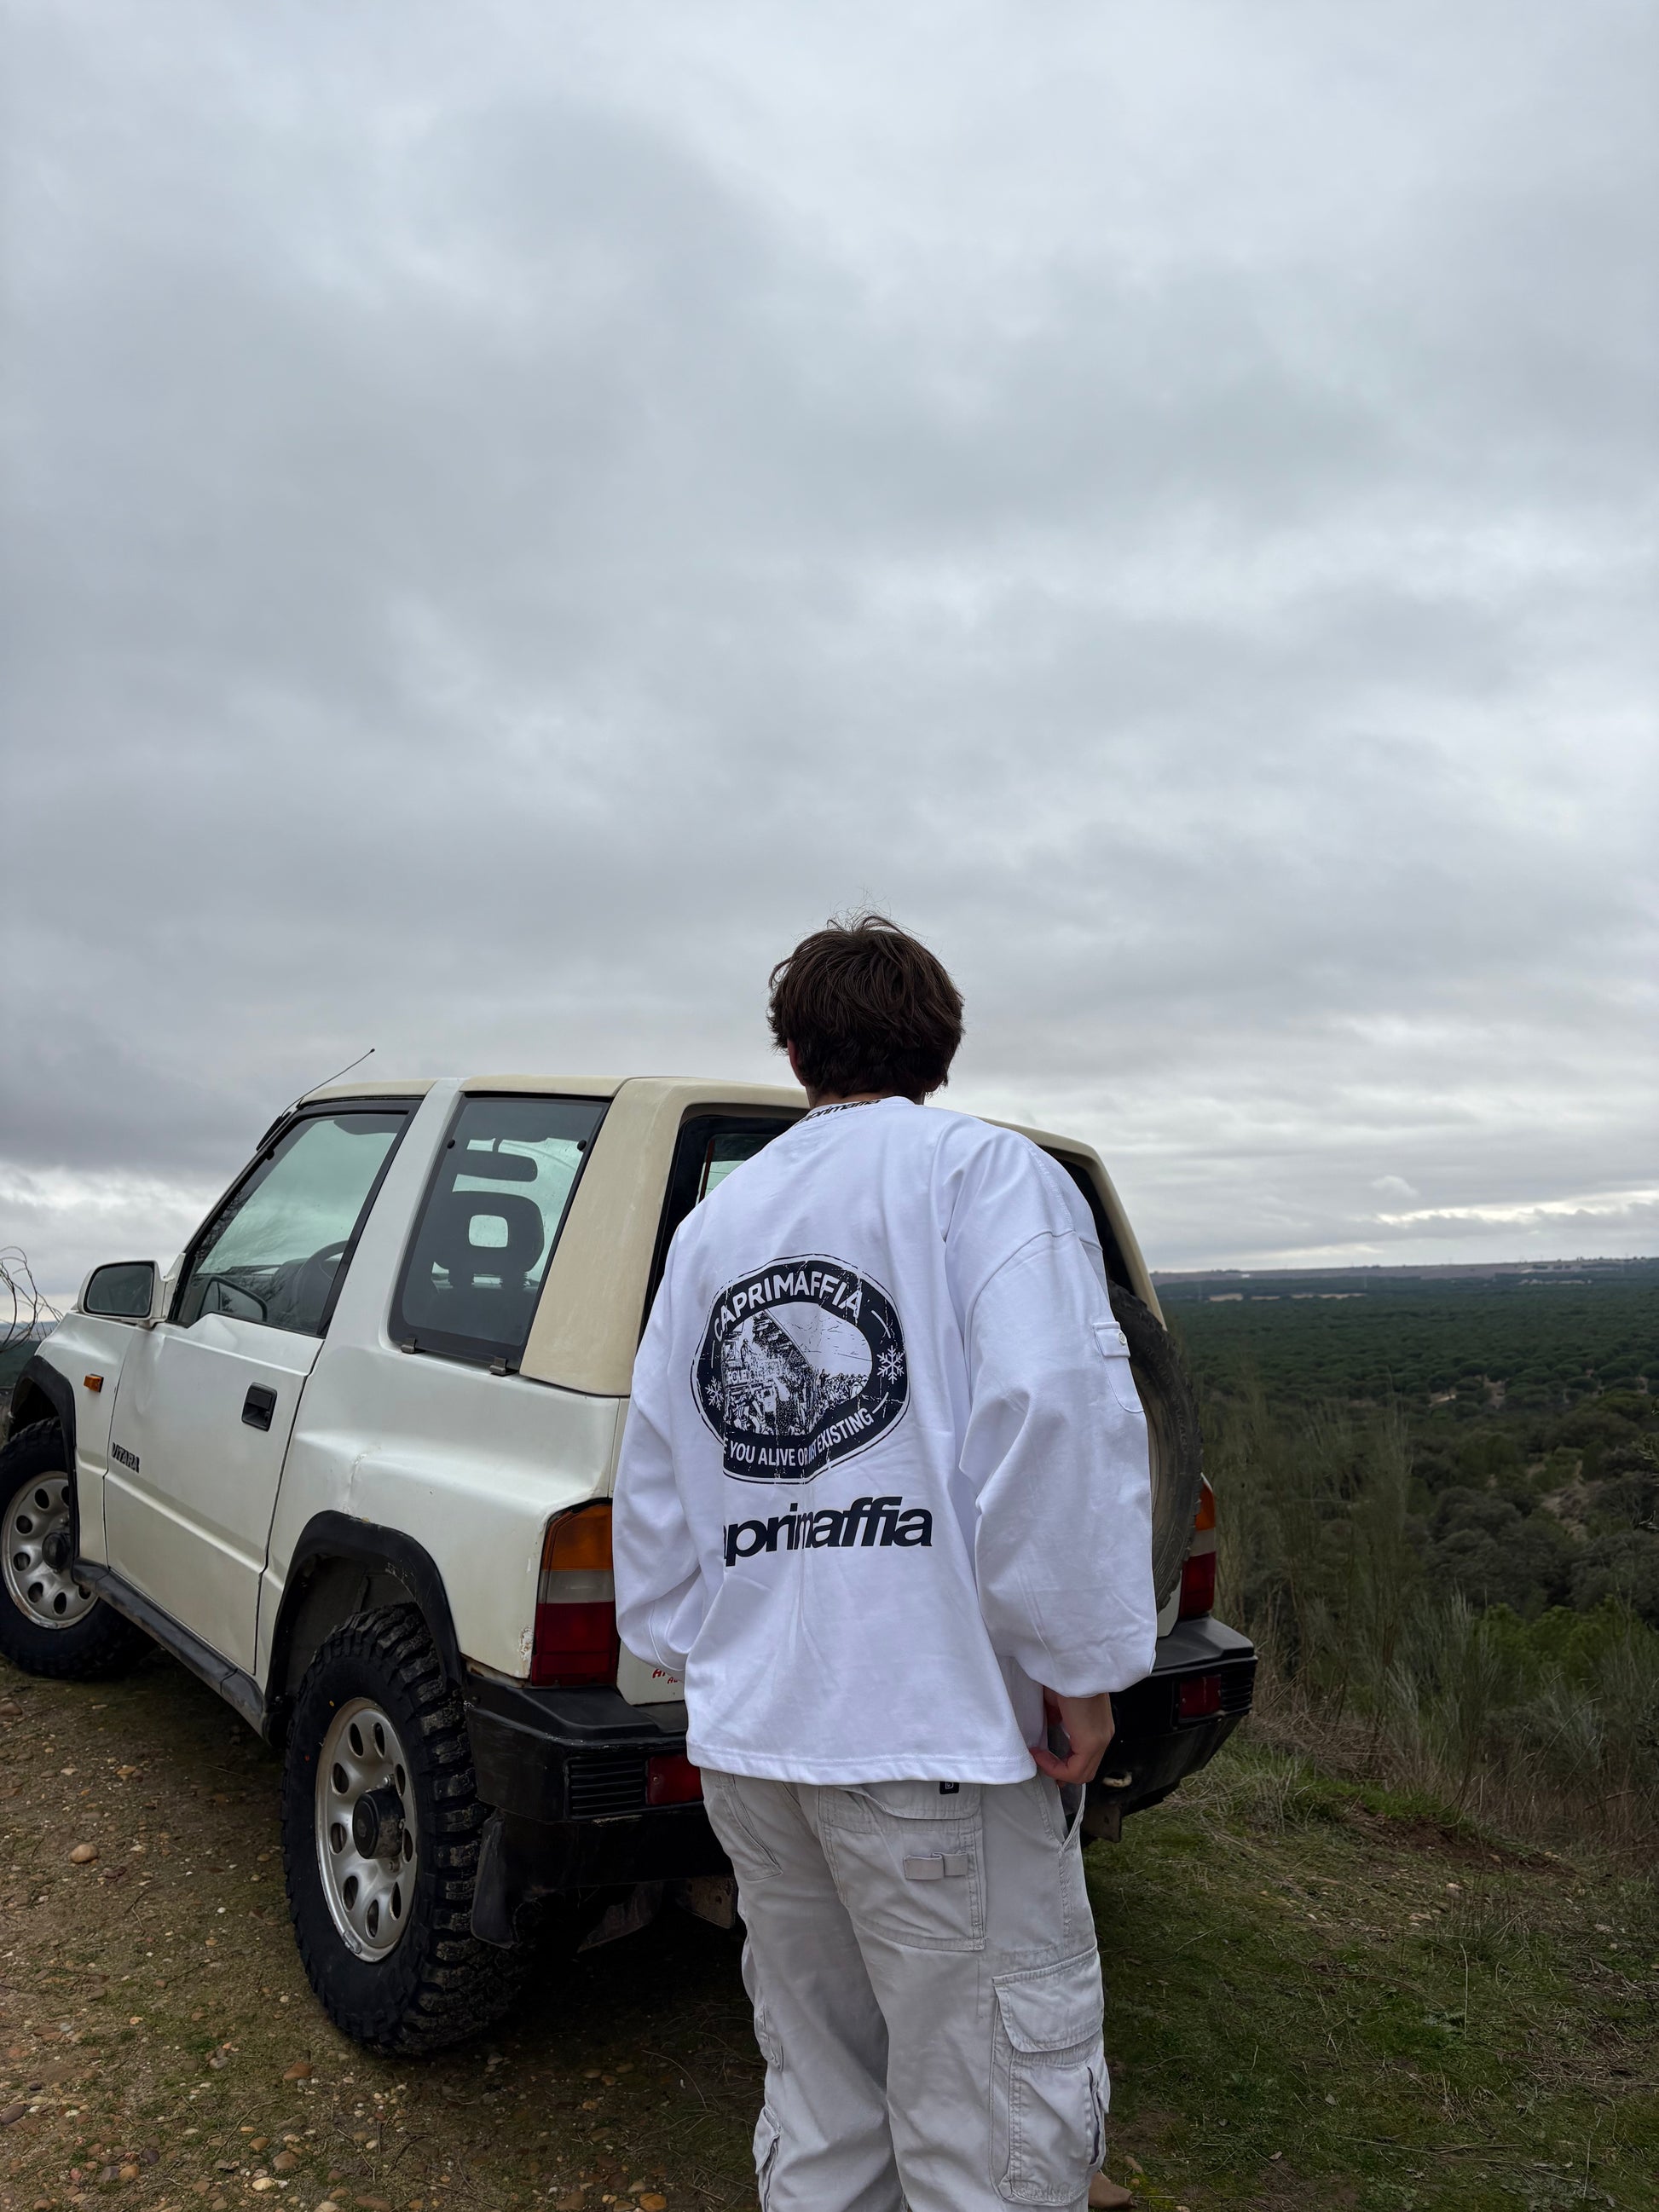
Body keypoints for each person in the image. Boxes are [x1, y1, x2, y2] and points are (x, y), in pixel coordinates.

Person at [613, 914, 1157, 2212]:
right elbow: (1053, 1420)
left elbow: (654, 1474)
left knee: (821, 2093)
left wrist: (705, 1657)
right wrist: (1077, 1670)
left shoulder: (716, 1227)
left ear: (793, 1051)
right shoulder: (988, 1178)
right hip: (933, 1737)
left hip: (758, 1741)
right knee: (991, 2125)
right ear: (942, 1045)